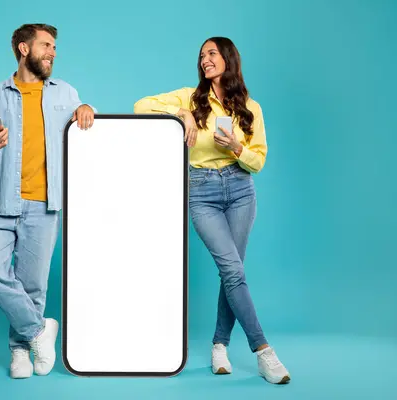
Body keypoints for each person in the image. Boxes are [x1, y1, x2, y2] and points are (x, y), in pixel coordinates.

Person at [134, 37, 290, 384]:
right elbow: (140, 105)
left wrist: (236, 147)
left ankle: (219, 345)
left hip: (240, 191)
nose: (205, 60)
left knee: (231, 272)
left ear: (229, 59)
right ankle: (263, 351)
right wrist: (182, 113)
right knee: (232, 270)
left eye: (212, 54)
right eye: (202, 55)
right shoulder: (191, 96)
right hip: (201, 191)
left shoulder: (251, 107)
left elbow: (258, 161)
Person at [0, 23, 96, 379]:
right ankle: (40, 331)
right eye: (46, 45)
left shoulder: (65, 92)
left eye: (54, 47)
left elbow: (85, 125)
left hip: (44, 204)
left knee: (32, 285)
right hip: (0, 202)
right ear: (24, 49)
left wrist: (87, 107)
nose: (52, 52)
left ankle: (20, 351)